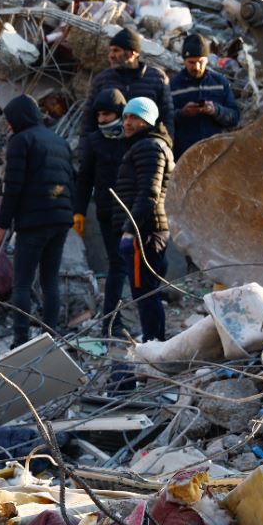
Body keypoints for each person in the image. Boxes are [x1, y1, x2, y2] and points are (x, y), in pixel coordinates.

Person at [0, 94, 75, 346]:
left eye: (10, 120)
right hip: (61, 220)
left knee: (22, 283)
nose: (9, 126)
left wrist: (2, 225)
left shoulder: (21, 141)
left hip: (33, 223)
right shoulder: (60, 142)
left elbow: (13, 186)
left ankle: (21, 340)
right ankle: (51, 336)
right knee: (50, 280)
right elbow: (72, 181)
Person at [111, 97, 175, 343]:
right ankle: (154, 340)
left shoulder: (149, 146)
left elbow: (149, 193)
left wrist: (130, 231)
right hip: (147, 230)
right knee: (147, 291)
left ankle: (153, 344)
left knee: (145, 292)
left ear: (147, 120)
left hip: (144, 232)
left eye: (134, 118)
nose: (127, 122)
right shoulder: (146, 145)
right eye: (126, 117)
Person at [73, 89, 130, 338]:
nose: (102, 119)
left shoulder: (133, 136)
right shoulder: (95, 142)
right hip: (108, 212)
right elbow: (84, 179)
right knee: (117, 265)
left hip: (134, 212)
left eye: (107, 114)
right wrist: (79, 212)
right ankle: (112, 322)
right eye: (99, 115)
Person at [80, 29, 174, 147]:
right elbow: (88, 120)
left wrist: (166, 147)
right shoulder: (101, 80)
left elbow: (167, 118)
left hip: (144, 151)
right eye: (110, 51)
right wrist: (85, 153)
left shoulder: (157, 79)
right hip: (108, 152)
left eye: (116, 51)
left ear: (132, 54)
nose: (111, 56)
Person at [170, 33, 240, 160]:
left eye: (200, 62)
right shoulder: (173, 86)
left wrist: (216, 110)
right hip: (185, 156)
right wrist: (183, 113)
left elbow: (234, 117)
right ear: (184, 61)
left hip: (217, 154)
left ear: (207, 59)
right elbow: (165, 120)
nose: (196, 67)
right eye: (191, 62)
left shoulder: (220, 83)